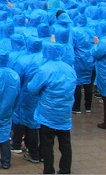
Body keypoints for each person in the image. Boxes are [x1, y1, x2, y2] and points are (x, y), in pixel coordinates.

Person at [28, 42, 76, 175]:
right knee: (65, 142)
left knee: (47, 143)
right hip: (64, 112)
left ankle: (48, 170)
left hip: (47, 112)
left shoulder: (44, 70)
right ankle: (65, 169)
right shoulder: (70, 69)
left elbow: (32, 88)